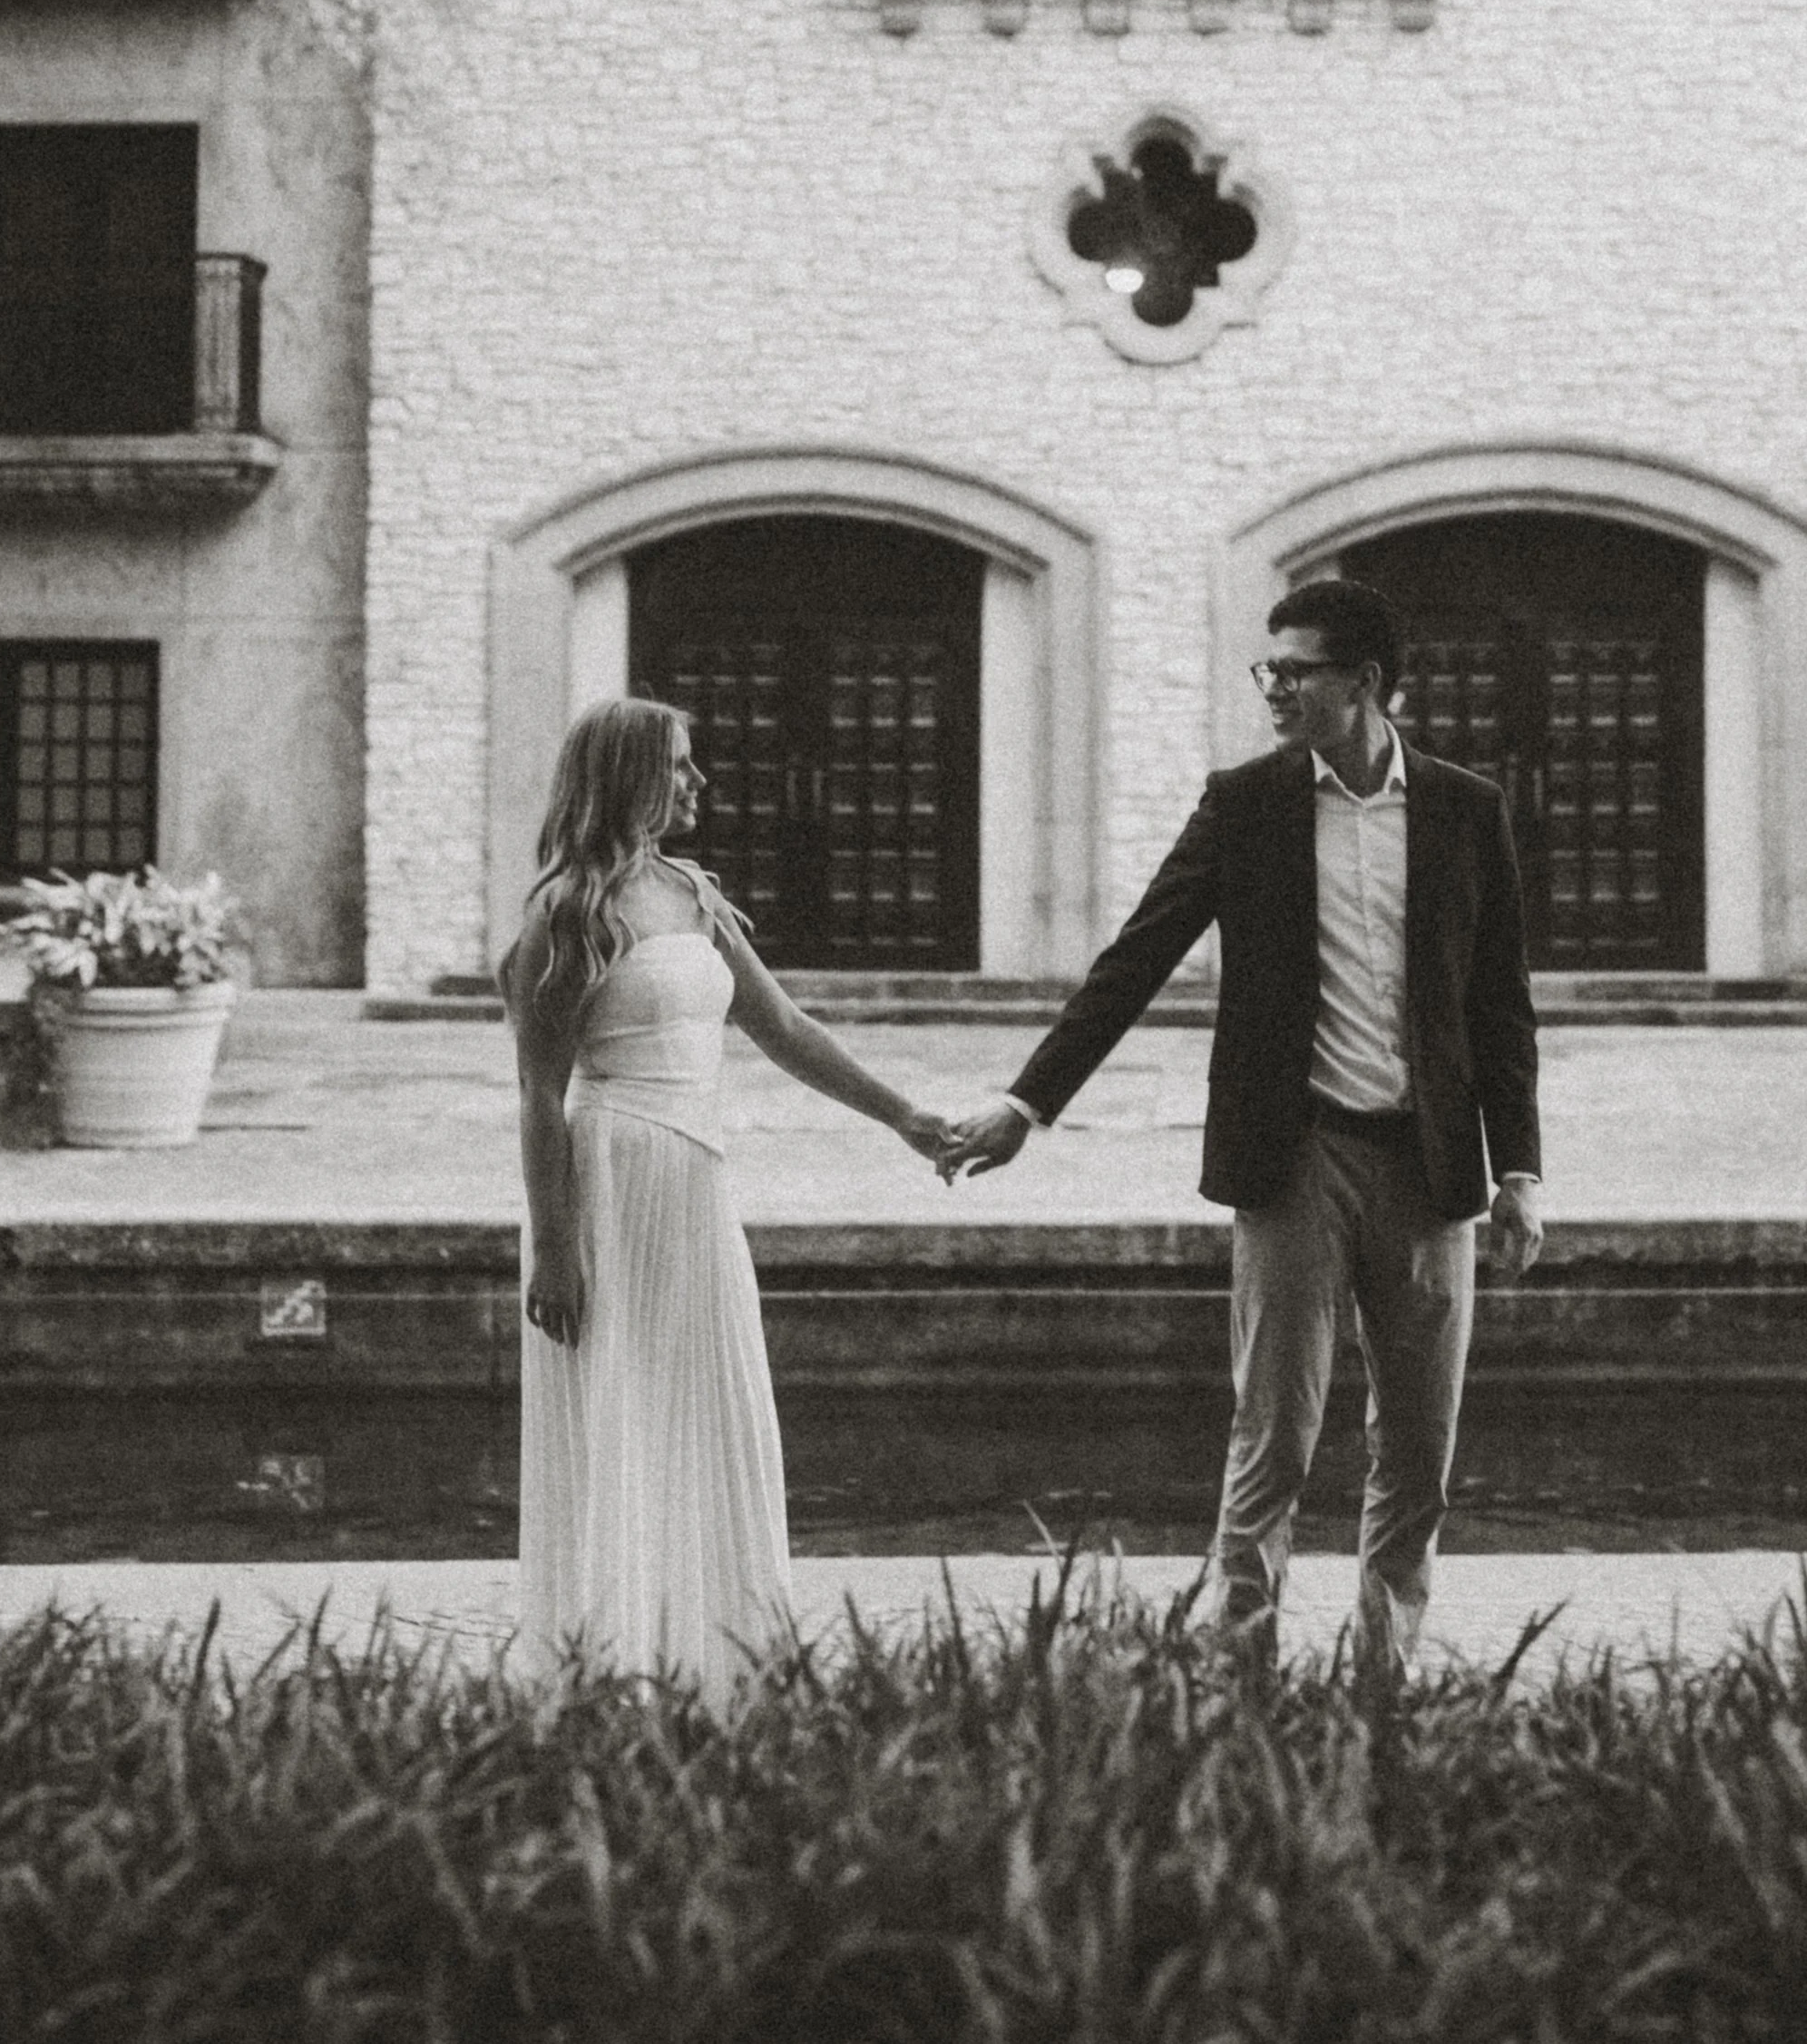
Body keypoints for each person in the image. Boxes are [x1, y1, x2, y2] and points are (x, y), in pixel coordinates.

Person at [943, 577, 1542, 1674]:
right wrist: (1028, 1102)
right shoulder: (1247, 804)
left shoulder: (1466, 809)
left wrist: (1523, 1171)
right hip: (1293, 1154)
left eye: (1293, 670)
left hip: (1430, 1163)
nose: (1271, 688)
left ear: (1361, 684)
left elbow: (1498, 1005)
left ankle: (1382, 1676)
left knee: (1419, 1450)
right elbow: (1136, 957)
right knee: (1274, 1439)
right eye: (1265, 670)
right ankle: (1240, 1671)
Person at [503, 693, 954, 1706]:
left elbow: (786, 1028)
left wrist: (907, 1118)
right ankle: (609, 1663)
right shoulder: (565, 913)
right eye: (680, 765)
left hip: (696, 1183)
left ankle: (719, 1657)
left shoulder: (694, 895)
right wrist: (555, 1247)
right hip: (610, 1179)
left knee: (713, 1407)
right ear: (625, 777)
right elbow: (538, 1092)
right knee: (622, 1412)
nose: (699, 783)